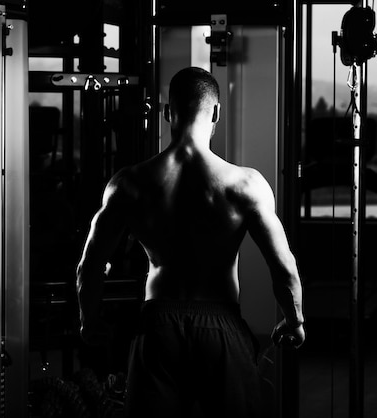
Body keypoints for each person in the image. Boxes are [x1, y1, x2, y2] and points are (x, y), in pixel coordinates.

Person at [76, 66, 305, 417]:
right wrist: (294, 320)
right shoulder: (244, 184)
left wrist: (90, 321)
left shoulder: (129, 183)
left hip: (157, 327)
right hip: (221, 326)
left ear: (168, 112)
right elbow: (283, 267)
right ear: (215, 112)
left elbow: (89, 265)